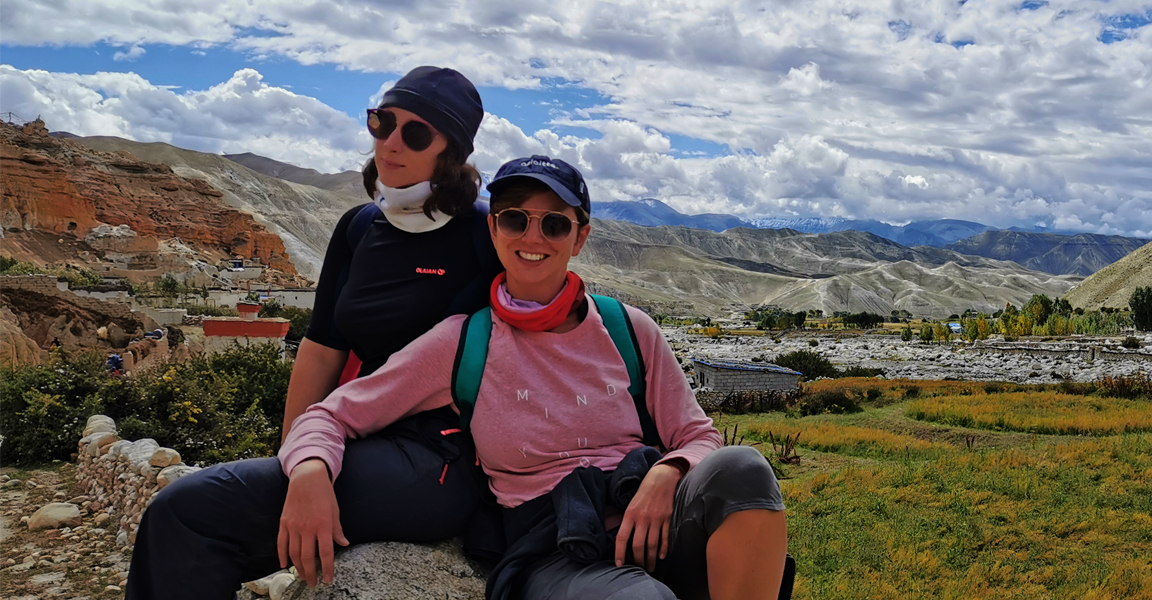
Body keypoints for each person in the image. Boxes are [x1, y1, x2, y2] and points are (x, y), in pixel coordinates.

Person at [278, 156, 789, 600]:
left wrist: (668, 472)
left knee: (743, 467)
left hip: (651, 522)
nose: (532, 237)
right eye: (515, 219)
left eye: (554, 224)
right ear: (494, 230)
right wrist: (308, 472)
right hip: (556, 551)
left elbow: (698, 436)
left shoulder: (628, 329)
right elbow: (333, 413)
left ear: (581, 237)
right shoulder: (462, 342)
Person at [126, 65, 498, 599]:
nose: (390, 143)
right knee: (185, 523)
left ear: (452, 152)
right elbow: (323, 348)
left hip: (438, 454)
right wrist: (295, 460)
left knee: (189, 511)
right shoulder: (357, 228)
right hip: (351, 432)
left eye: (416, 133)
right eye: (382, 121)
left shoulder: (484, 235)